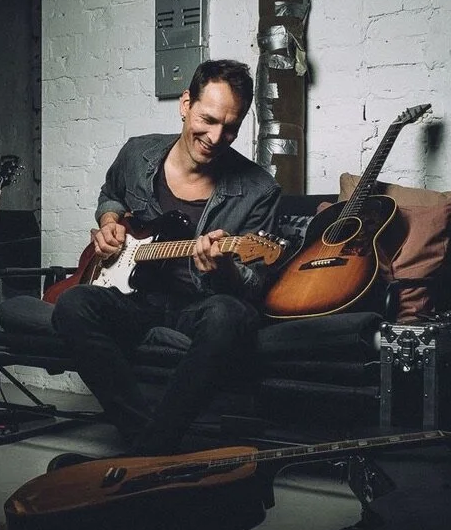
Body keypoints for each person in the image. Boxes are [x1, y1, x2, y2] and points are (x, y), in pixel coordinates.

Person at [50, 59, 281, 458]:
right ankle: (154, 446)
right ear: (186, 104)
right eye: (208, 119)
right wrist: (109, 222)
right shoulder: (137, 153)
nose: (216, 137)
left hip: (199, 305)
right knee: (73, 304)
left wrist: (225, 267)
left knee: (232, 315)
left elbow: (255, 282)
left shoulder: (260, 189)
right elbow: (111, 194)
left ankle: (147, 452)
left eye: (230, 127)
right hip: (135, 298)